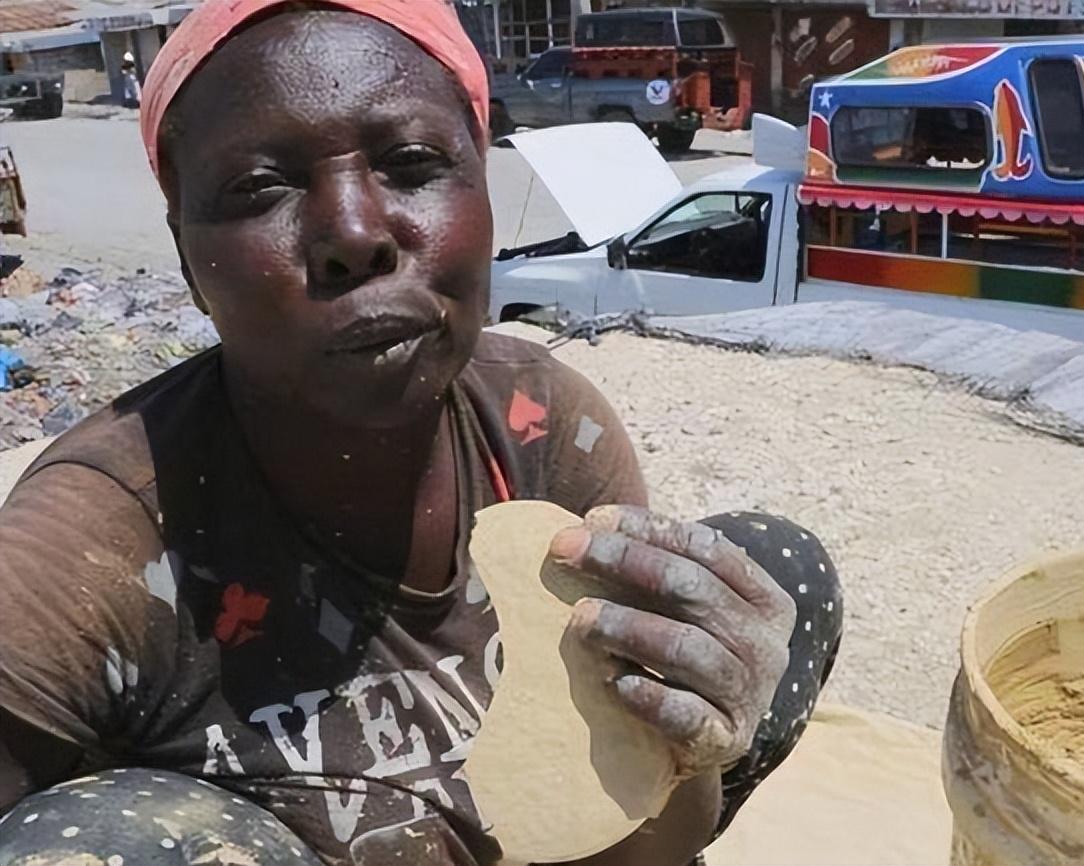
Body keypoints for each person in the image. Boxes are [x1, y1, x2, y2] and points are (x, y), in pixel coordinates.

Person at [0, 2, 843, 864]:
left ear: (481, 186)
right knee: (105, 840)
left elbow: (635, 846)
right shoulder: (89, 550)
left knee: (765, 577)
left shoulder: (543, 429)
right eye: (259, 187)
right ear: (186, 254)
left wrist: (695, 746)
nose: (356, 236)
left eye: (411, 164)